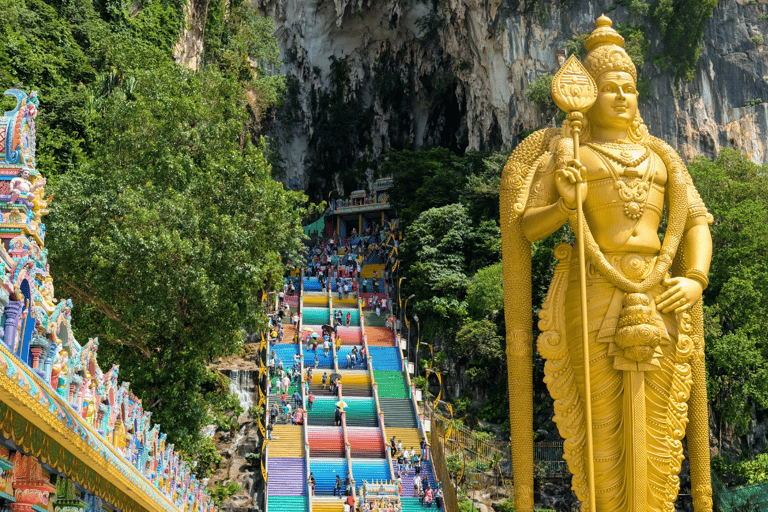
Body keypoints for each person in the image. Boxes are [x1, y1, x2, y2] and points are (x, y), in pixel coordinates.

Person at [502, 15, 714, 512]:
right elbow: (527, 227)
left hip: (660, 290)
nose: (621, 96)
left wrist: (695, 278)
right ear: (586, 95)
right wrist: (564, 203)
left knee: (661, 423)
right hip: (592, 289)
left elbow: (696, 222)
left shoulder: (663, 156)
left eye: (629, 88)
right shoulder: (570, 151)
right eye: (609, 88)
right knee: (599, 428)